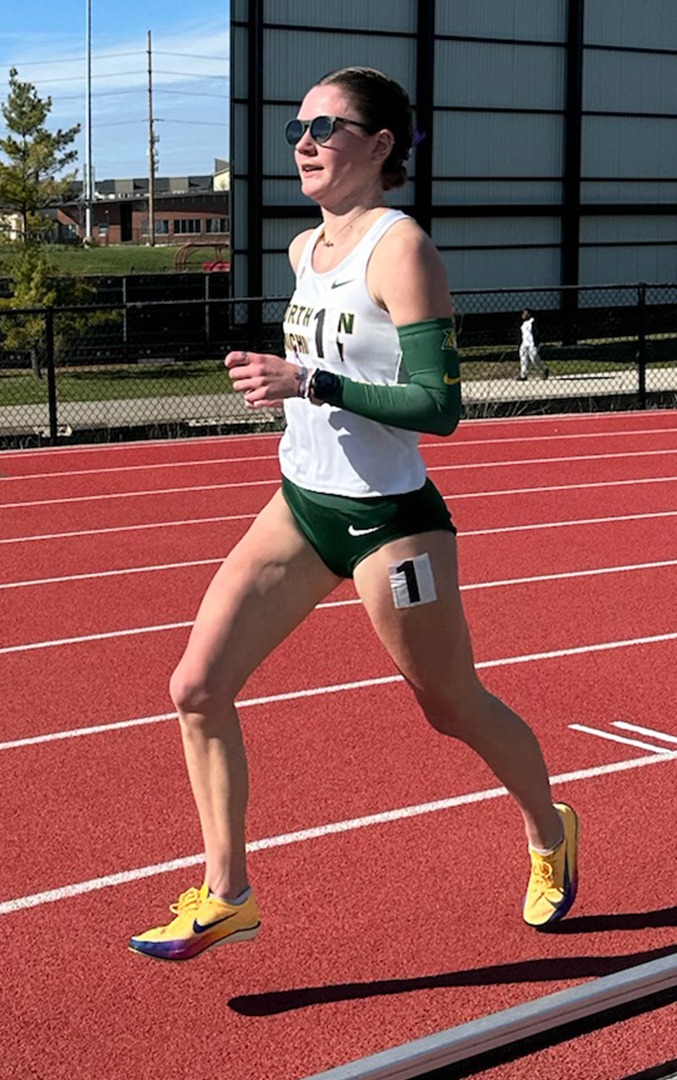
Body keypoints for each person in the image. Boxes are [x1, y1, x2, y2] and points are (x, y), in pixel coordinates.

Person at [129, 67, 578, 962]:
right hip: (300, 505)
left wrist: (310, 379)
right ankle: (229, 896)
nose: (304, 140)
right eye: (299, 124)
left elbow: (439, 406)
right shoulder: (304, 250)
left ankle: (547, 829)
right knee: (196, 687)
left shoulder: (401, 250)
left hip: (390, 523)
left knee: (450, 706)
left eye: (328, 127)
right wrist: (288, 386)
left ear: (379, 147)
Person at [518, 309, 543, 380]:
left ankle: (543, 370)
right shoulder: (523, 323)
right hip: (524, 343)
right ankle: (523, 375)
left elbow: (536, 332)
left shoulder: (533, 322)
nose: (523, 315)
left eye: (525, 313)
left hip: (532, 343)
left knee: (534, 358)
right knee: (523, 359)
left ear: (529, 314)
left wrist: (537, 343)